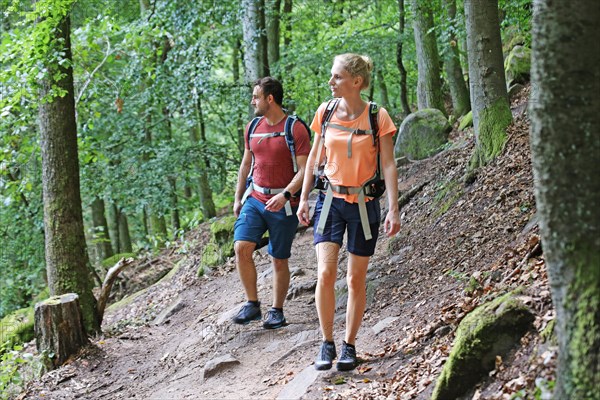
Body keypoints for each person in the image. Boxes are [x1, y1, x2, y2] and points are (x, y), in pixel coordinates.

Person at [297, 54, 401, 371]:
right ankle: (326, 343)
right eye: (332, 76)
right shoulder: (324, 113)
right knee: (326, 273)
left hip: (364, 205)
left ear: (356, 81)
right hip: (329, 202)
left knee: (355, 280)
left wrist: (394, 208)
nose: (331, 82)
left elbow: (388, 164)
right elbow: (315, 156)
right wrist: (303, 198)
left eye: (337, 77)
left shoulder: (377, 117)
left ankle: (349, 345)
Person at [232, 77, 311, 330]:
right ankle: (252, 304)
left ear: (270, 98)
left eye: (256, 96)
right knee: (241, 247)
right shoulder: (252, 127)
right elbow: (246, 164)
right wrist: (237, 197)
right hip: (255, 198)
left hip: (283, 202)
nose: (252, 101)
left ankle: (276, 311)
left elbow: (304, 170)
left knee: (278, 258)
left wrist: (286, 195)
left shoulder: (295, 128)